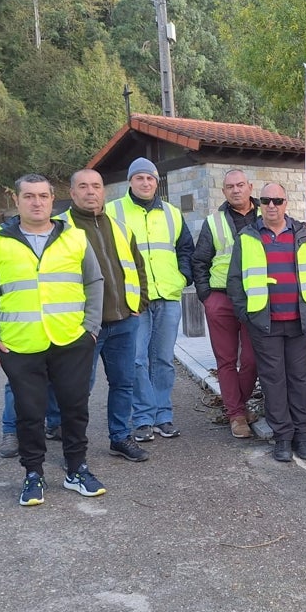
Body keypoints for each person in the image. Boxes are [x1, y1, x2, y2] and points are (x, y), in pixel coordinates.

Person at [0, 174, 106, 507]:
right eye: (29, 196)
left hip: (71, 338)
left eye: (44, 196)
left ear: (52, 200)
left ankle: (76, 470)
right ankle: (33, 474)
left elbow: (95, 281)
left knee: (75, 408)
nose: (37, 202)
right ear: (16, 201)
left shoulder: (74, 238)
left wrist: (90, 327)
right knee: (29, 412)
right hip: (20, 343)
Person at [226, 183, 306, 462]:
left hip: (299, 322)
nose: (272, 205)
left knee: (298, 379)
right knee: (273, 381)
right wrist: (246, 314)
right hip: (265, 322)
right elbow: (234, 280)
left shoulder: (303, 235)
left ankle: (302, 437)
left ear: (286, 203)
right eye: (266, 200)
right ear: (260, 203)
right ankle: (282, 437)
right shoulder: (248, 236)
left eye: (277, 200)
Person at [58, 168, 150, 463]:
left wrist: (140, 302)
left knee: (123, 383)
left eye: (96, 186)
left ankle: (120, 437)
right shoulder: (59, 229)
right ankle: (74, 445)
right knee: (78, 389)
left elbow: (137, 265)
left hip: (124, 322)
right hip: (83, 326)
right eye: (83, 187)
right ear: (72, 193)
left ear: (104, 191)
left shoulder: (120, 227)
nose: (90, 192)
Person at [109, 158, 193, 442]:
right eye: (140, 178)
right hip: (134, 300)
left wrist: (183, 277)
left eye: (151, 178)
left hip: (168, 295)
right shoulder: (113, 211)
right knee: (136, 360)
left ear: (157, 182)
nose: (146, 183)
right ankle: (143, 418)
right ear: (130, 181)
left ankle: (163, 416)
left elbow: (185, 249)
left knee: (164, 359)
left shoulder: (172, 212)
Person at [0, 228, 60, 459]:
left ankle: (54, 424)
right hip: (18, 329)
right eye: (28, 196)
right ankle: (11, 431)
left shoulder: (59, 231)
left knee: (56, 379)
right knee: (17, 385)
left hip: (55, 326)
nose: (35, 202)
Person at [193, 169, 261, 438]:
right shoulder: (214, 222)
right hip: (220, 297)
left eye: (240, 185)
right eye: (230, 186)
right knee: (226, 360)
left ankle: (238, 406)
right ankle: (236, 415)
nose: (236, 190)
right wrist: (206, 296)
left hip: (255, 297)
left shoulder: (263, 215)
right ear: (223, 191)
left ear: (249, 187)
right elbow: (199, 260)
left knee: (253, 359)